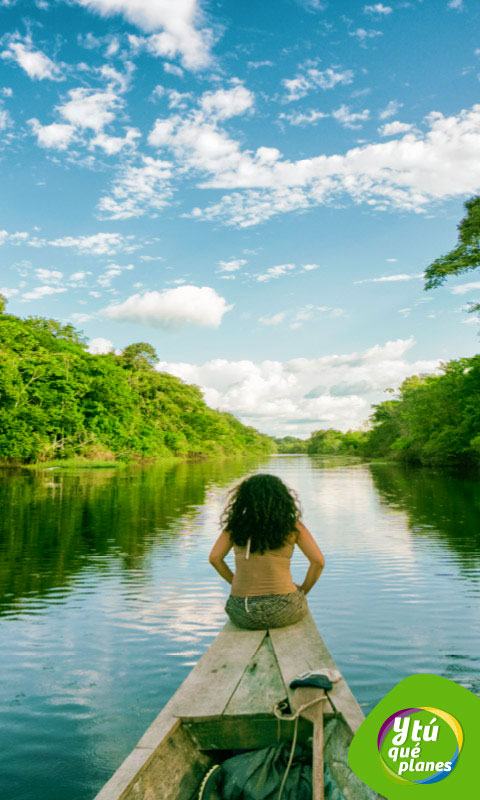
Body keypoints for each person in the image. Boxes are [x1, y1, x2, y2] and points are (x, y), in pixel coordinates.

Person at [209, 473, 325, 630]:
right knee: (298, 598)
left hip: (242, 610)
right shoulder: (293, 526)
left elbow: (215, 558)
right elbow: (318, 562)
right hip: (284, 610)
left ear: (244, 498)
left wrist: (235, 582)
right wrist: (303, 591)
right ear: (281, 498)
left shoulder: (235, 526)